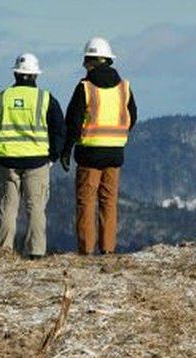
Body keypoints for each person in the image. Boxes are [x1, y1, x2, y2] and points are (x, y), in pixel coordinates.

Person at [0, 53, 65, 258]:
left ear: (16, 74)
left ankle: (3, 250)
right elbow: (59, 130)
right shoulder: (45, 99)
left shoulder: (0, 98)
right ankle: (35, 251)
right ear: (35, 75)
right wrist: (53, 156)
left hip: (7, 161)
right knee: (36, 208)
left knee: (7, 208)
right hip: (37, 161)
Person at [60, 37, 137, 255]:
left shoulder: (85, 88)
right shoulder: (124, 88)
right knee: (109, 202)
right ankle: (108, 250)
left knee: (86, 203)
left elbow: (73, 122)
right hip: (114, 154)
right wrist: (118, 136)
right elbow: (133, 116)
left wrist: (66, 151)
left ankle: (86, 251)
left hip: (89, 154)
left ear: (90, 61)